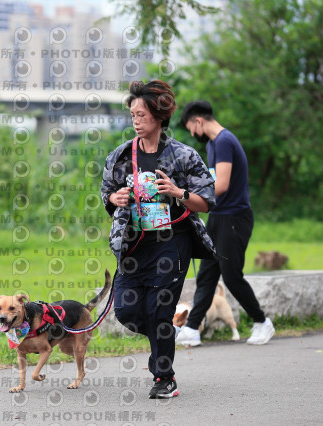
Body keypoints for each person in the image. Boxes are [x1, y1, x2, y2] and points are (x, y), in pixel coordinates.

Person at [101, 81, 217, 399]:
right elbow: (106, 197)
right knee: (126, 310)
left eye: (141, 114)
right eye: (133, 114)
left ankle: (164, 377)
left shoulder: (182, 155)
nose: (136, 120)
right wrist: (117, 197)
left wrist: (178, 193)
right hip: (134, 244)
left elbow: (207, 201)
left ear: (158, 116)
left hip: (172, 243)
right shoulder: (122, 155)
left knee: (158, 310)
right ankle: (164, 329)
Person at [177, 100, 275, 346]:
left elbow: (221, 185)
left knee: (231, 276)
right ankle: (191, 329)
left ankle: (262, 322)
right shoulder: (213, 143)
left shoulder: (224, 141)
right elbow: (212, 182)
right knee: (208, 274)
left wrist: (187, 194)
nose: (192, 134)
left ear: (199, 121)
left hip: (234, 217)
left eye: (191, 128)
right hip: (219, 216)